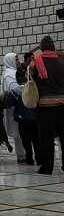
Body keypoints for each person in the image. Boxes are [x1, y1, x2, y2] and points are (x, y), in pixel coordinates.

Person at [31, 36, 64, 175]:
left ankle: (47, 167)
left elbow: (29, 80)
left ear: (42, 47)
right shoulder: (62, 59)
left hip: (45, 106)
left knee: (46, 138)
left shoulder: (36, 61)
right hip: (63, 104)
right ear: (53, 46)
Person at [1, 52, 26, 164]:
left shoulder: (12, 72)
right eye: (16, 59)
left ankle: (23, 154)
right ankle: (21, 155)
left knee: (21, 131)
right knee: (18, 132)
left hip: (19, 106)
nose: (18, 61)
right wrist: (27, 88)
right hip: (15, 107)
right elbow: (14, 88)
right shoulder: (9, 73)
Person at [15, 53, 39, 166]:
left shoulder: (35, 69)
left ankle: (36, 158)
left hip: (31, 108)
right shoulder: (21, 71)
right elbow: (20, 85)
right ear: (28, 59)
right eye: (31, 59)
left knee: (34, 137)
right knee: (27, 138)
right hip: (25, 107)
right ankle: (30, 158)